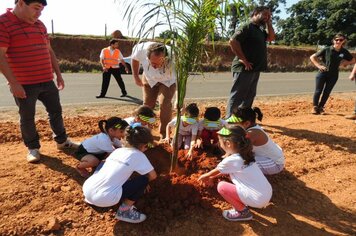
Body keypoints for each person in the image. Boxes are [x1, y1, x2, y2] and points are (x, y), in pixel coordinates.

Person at [0, 0, 78, 163]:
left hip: (46, 80)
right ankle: (33, 148)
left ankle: (62, 142)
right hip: (24, 83)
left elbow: (49, 51)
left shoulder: (40, 25)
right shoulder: (4, 23)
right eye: (36, 8)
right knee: (27, 116)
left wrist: (58, 74)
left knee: (56, 111)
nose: (39, 13)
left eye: (41, 10)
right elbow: (1, 56)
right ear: (21, 3)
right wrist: (14, 83)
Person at [82, 126, 157, 224]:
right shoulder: (139, 155)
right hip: (105, 198)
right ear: (144, 145)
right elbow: (153, 176)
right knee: (143, 180)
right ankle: (124, 212)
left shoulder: (117, 151)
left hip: (87, 189)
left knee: (104, 163)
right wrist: (144, 184)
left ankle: (92, 198)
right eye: (147, 146)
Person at [198, 126, 272, 221]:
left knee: (222, 187)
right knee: (231, 178)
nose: (219, 144)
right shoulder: (246, 155)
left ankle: (243, 212)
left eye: (220, 142)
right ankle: (249, 201)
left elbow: (218, 169)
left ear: (228, 144)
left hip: (257, 198)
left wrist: (206, 175)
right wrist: (213, 177)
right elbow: (226, 170)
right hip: (265, 194)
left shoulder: (231, 160)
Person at [226, 6, 275, 118]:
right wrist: (243, 59)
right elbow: (233, 41)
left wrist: (269, 23)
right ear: (256, 13)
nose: (267, 17)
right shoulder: (247, 26)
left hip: (255, 69)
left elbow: (271, 38)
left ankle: (243, 119)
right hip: (244, 68)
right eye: (265, 14)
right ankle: (229, 120)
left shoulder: (260, 30)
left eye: (269, 15)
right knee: (238, 95)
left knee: (249, 96)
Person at [131, 41, 176, 139]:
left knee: (165, 104)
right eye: (153, 63)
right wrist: (136, 77)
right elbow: (134, 60)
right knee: (147, 105)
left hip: (168, 81)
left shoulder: (174, 56)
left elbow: (181, 78)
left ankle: (164, 132)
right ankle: (143, 130)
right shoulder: (140, 50)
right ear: (147, 57)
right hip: (149, 79)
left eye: (160, 63)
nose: (156, 67)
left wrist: (178, 98)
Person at [226, 107, 285, 175]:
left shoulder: (252, 133)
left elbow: (238, 150)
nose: (232, 124)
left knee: (239, 164)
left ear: (247, 123)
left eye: (234, 123)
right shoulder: (250, 128)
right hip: (266, 157)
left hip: (274, 164)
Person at [310, 33, 355, 115]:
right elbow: (312, 57)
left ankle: (321, 108)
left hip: (334, 75)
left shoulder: (344, 52)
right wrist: (318, 65)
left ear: (343, 41)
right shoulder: (327, 49)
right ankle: (315, 107)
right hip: (322, 73)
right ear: (333, 40)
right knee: (318, 91)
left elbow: (353, 60)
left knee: (327, 91)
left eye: (340, 40)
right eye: (336, 39)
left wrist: (344, 63)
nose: (338, 41)